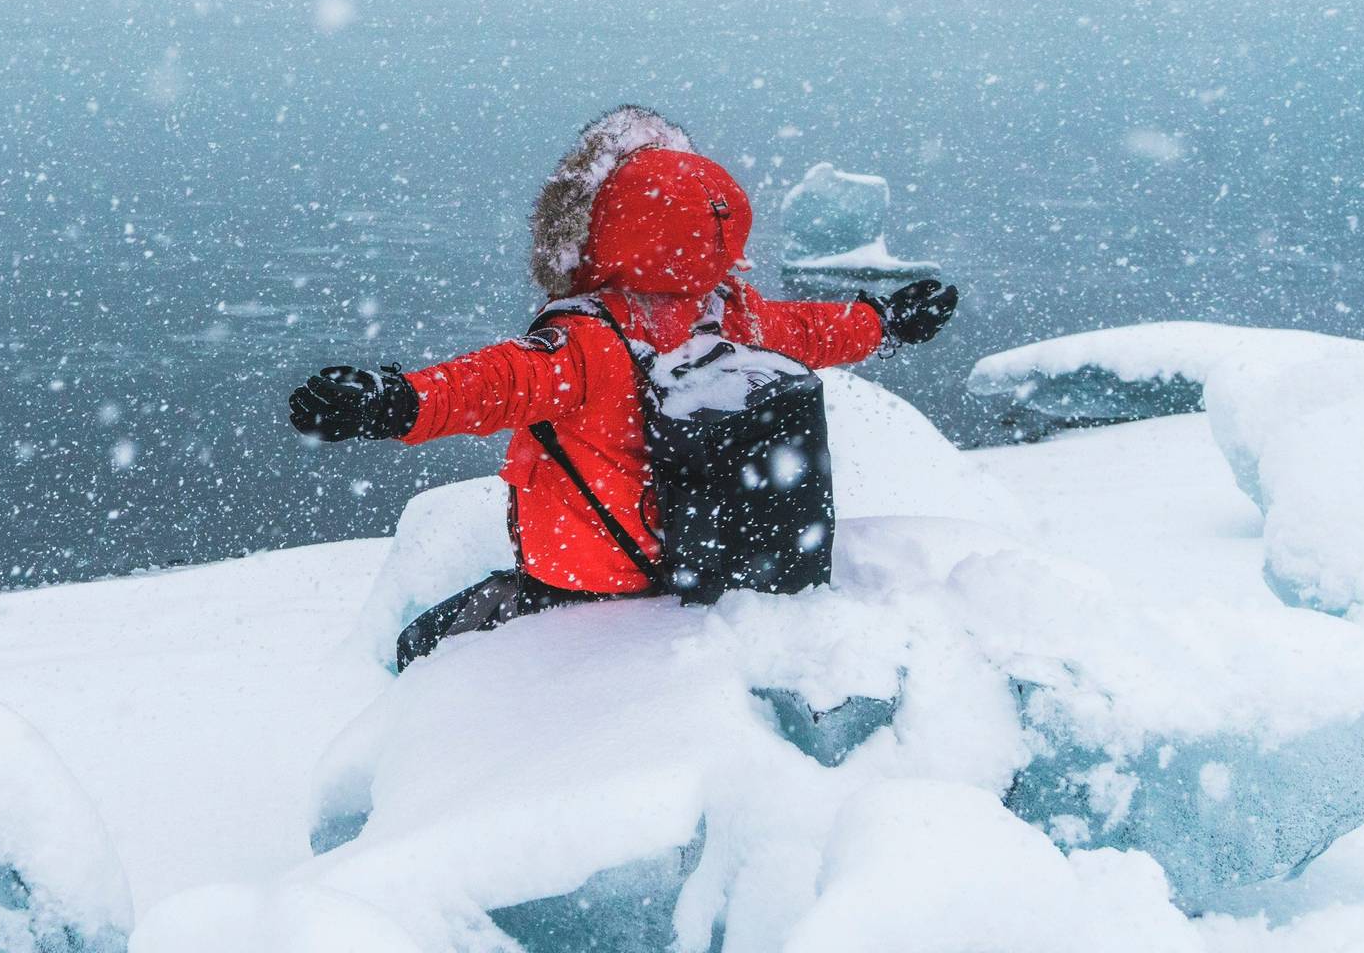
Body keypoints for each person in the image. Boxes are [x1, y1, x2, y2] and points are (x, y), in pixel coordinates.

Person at [288, 107, 955, 669]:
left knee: (412, 650)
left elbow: (491, 384)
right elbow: (817, 329)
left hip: (587, 594)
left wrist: (392, 401)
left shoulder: (587, 341)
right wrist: (887, 320)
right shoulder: (737, 315)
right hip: (702, 567)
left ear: (606, 228)